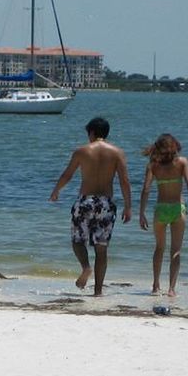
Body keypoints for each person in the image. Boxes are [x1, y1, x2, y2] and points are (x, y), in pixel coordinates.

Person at [49, 116, 132, 296]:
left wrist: (56, 190)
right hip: (106, 203)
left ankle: (86, 267)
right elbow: (124, 181)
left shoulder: (82, 151)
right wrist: (128, 206)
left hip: (85, 201)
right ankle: (98, 291)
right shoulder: (117, 152)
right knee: (101, 248)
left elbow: (67, 174)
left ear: (91, 132)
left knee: (78, 241)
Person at [138, 133, 188, 297]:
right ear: (175, 147)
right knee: (176, 250)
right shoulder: (182, 162)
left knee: (159, 248)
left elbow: (145, 190)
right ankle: (171, 289)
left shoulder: (153, 165)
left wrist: (141, 213)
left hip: (160, 209)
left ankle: (155, 284)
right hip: (177, 208)